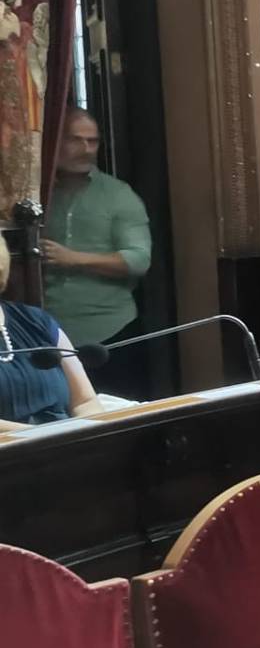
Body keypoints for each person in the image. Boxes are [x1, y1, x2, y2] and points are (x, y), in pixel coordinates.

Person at [43, 110, 152, 350]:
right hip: (43, 332)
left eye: (92, 141)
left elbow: (138, 260)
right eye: (75, 140)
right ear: (53, 141)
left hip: (109, 331)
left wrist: (73, 259)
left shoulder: (118, 195)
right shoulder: (35, 193)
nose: (86, 149)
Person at [0, 244, 103, 429]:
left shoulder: (36, 320)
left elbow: (85, 401)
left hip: (67, 446)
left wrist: (87, 435)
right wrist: (44, 436)